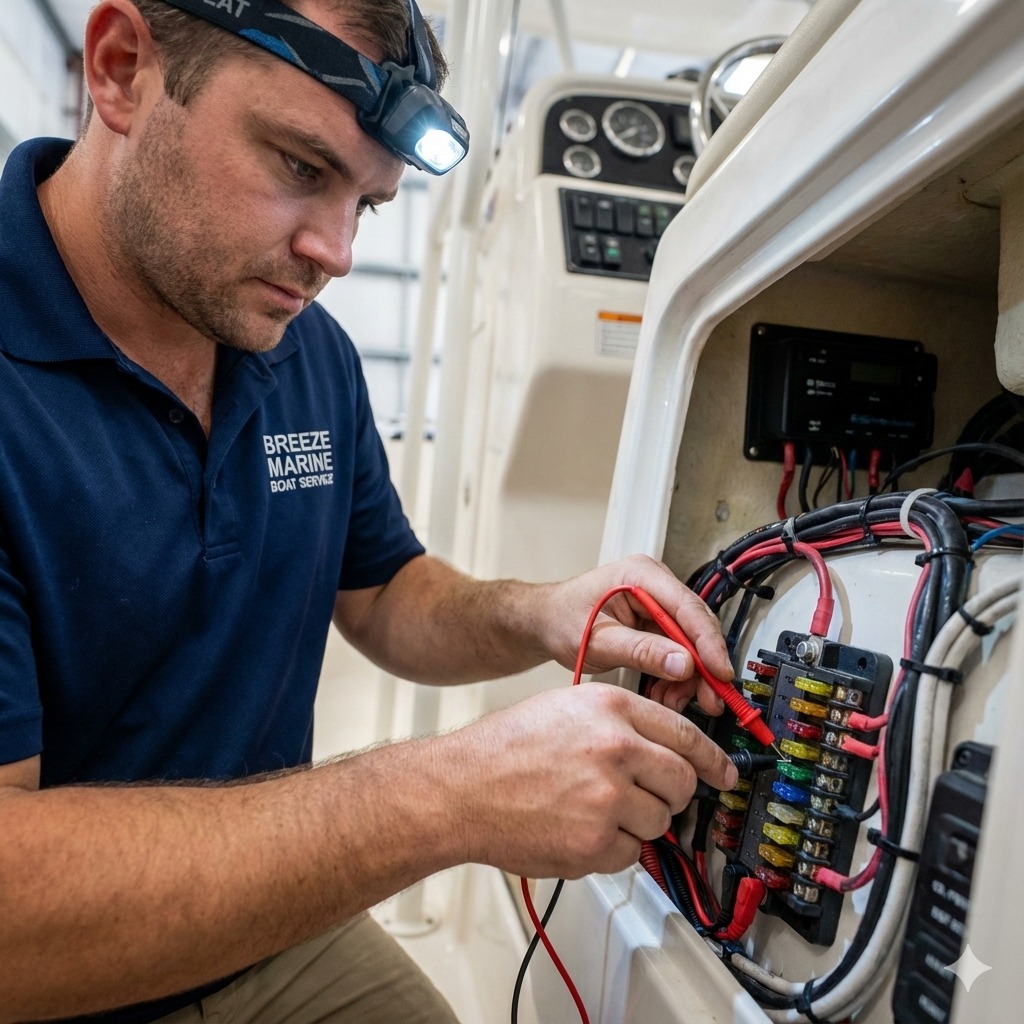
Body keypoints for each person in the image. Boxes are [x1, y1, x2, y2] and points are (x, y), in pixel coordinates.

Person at [0, 1, 738, 1021]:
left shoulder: (301, 351)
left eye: (369, 204)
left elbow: (384, 588)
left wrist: (541, 612)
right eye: (300, 166)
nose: (335, 251)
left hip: (270, 926)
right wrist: (449, 795)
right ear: (122, 69)